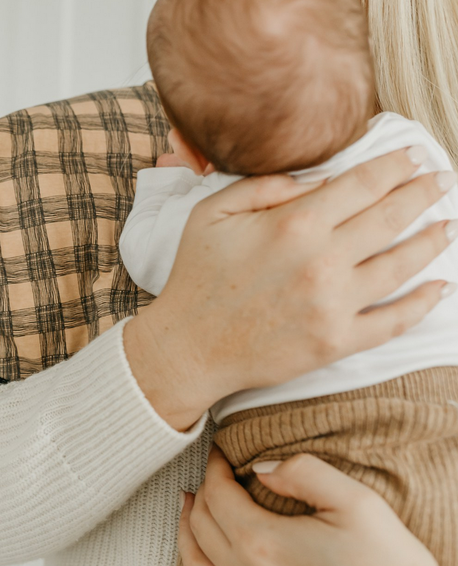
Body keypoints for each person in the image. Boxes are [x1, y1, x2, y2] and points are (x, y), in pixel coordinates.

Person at [0, 2, 457, 566]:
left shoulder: (197, 198)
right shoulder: (91, 152)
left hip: (285, 464)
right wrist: (176, 357)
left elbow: (147, 249)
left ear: (190, 148)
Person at [120, 0, 458, 562]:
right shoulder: (412, 146)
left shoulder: (210, 216)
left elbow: (143, 253)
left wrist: (168, 184)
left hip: (304, 456)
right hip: (441, 431)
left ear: (195, 148)